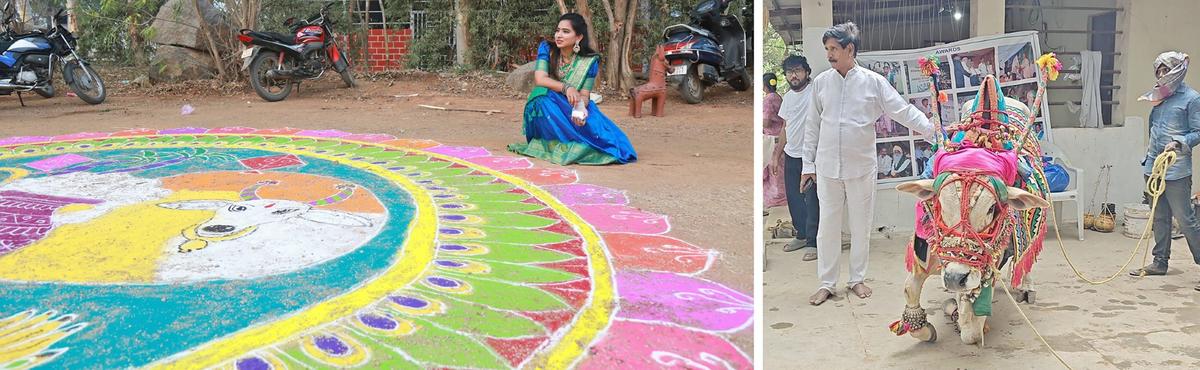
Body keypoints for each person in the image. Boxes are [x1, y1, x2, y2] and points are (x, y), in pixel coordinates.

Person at [801, 22, 934, 305]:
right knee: (827, 226)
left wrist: (932, 130)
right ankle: (827, 283)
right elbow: (811, 126)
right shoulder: (822, 83)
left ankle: (856, 280)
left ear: (850, 49)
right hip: (827, 168)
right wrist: (807, 165)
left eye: (834, 49)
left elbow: (902, 109)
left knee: (861, 225)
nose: (829, 55)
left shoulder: (873, 82)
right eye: (827, 49)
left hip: (861, 167)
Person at [508, 13, 636, 166]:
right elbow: (540, 79)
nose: (559, 35)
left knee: (611, 143)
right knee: (540, 97)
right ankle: (557, 142)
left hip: (573, 104)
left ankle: (576, 140)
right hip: (549, 104)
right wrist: (566, 88)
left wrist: (580, 109)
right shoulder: (547, 49)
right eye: (558, 30)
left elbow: (584, 94)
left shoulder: (589, 61)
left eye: (565, 32)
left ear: (579, 37)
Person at [1129, 51, 1200, 294]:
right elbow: (1154, 129)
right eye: (1157, 72)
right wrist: (1149, 157)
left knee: (1185, 219)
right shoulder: (1158, 97)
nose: (1160, 76)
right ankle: (1160, 262)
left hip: (1177, 170)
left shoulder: (1191, 99)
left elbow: (1198, 132)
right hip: (1153, 167)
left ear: (1176, 71)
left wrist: (1179, 142)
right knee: (1158, 217)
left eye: (1164, 71)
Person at [777, 55, 820, 259]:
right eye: (789, 71)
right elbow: (785, 127)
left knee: (811, 199)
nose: (793, 75)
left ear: (806, 72)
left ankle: (813, 242)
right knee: (794, 198)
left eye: (798, 70)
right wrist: (775, 156)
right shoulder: (787, 98)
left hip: (811, 156)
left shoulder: (815, 91)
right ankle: (801, 235)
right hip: (791, 155)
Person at [764, 73, 788, 211]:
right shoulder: (778, 97)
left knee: (772, 170)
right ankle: (782, 197)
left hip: (772, 141)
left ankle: (776, 200)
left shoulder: (768, 99)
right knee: (779, 169)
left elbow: (766, 122)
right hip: (781, 138)